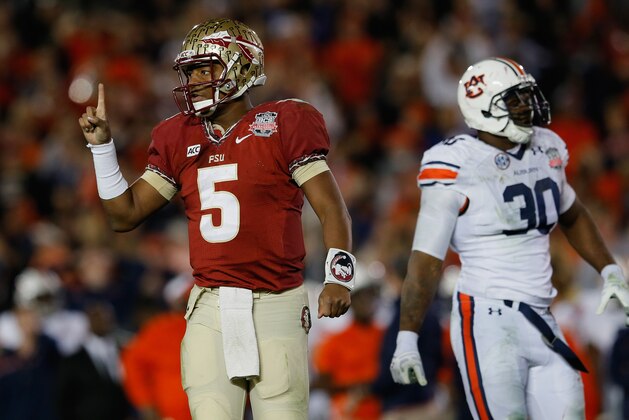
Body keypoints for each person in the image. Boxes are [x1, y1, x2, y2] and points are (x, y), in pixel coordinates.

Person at [78, 18, 355, 420]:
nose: (193, 80)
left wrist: (337, 277)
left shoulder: (283, 123)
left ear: (240, 66)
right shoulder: (179, 136)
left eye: (204, 69)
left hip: (277, 301)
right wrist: (103, 149)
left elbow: (332, 207)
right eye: (189, 71)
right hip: (210, 305)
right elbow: (125, 214)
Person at [389, 57, 629, 419]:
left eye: (526, 97)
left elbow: (573, 213)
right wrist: (407, 336)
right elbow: (425, 260)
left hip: (543, 317)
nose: (526, 107)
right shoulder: (455, 162)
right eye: (513, 100)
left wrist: (609, 269)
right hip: (487, 320)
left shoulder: (546, 146)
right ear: (483, 106)